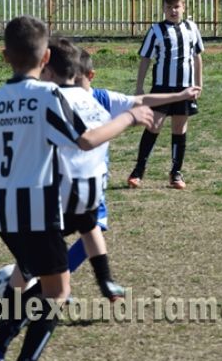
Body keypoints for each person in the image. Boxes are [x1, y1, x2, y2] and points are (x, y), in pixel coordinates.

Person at [0, 15, 152, 361]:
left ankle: (0, 347)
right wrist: (128, 117)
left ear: (5, 56)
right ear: (46, 57)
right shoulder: (47, 96)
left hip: (5, 214)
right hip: (38, 209)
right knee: (59, 291)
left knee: (48, 284)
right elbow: (84, 140)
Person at [66, 48, 200, 275]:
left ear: (90, 76)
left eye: (77, 81)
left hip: (89, 183)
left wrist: (180, 95)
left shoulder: (102, 98)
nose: (73, 86)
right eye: (70, 81)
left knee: (89, 229)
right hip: (65, 180)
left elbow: (141, 100)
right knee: (73, 232)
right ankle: (47, 283)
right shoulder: (60, 100)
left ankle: (51, 281)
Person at [127, 0, 204, 190]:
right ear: (163, 8)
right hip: (162, 88)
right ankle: (138, 170)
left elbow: (197, 57)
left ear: (184, 7)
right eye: (169, 7)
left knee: (179, 128)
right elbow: (145, 58)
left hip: (185, 88)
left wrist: (199, 84)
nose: (173, 11)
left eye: (177, 7)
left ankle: (176, 173)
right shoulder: (156, 30)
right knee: (153, 125)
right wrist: (139, 86)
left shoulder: (191, 28)